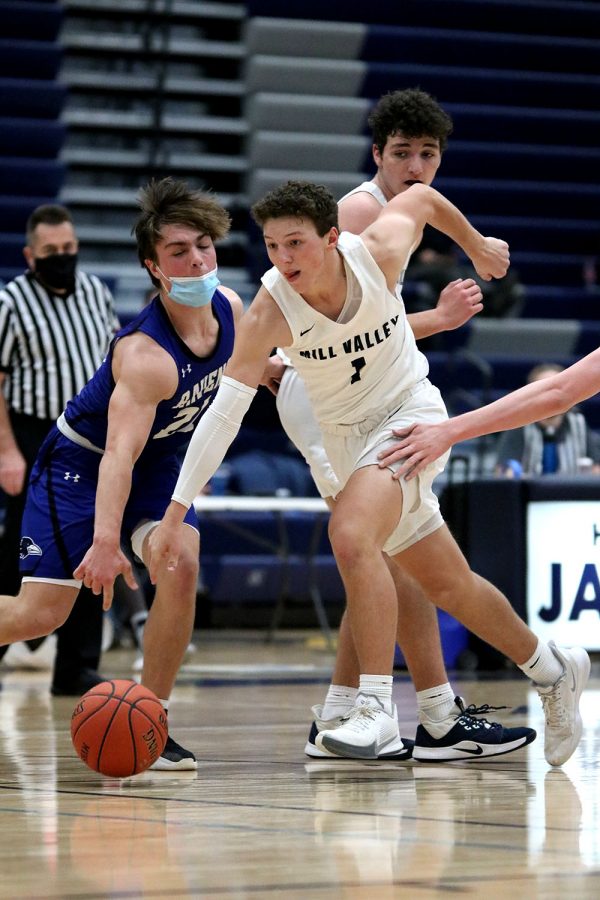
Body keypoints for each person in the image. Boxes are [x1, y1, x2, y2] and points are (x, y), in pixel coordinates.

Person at [149, 178, 589, 768]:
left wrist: (478, 244)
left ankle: (374, 711)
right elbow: (223, 415)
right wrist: (175, 513)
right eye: (273, 246)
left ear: (333, 237)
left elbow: (423, 200)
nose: (284, 258)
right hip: (347, 438)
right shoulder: (269, 308)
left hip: (412, 414)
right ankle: (553, 667)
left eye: (297, 243)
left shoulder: (378, 249)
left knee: (353, 535)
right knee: (447, 584)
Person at [264, 88, 507, 761]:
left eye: (428, 153)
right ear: (379, 155)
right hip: (325, 396)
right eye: (402, 152)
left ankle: (357, 713)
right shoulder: (362, 210)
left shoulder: (393, 216)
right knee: (385, 551)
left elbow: (377, 331)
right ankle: (428, 713)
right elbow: (320, 332)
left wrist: (441, 322)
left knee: (373, 550)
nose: (416, 165)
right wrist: (480, 246)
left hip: (347, 385)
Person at [0, 177, 244, 770]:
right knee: (42, 614)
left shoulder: (232, 308)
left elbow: (269, 356)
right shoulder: (144, 355)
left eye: (203, 245)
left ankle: (152, 718)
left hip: (159, 461)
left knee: (182, 558)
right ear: (153, 268)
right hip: (79, 465)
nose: (196, 259)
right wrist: (108, 543)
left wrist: (274, 369)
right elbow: (117, 456)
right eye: (178, 251)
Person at [0, 204, 118, 695]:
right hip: (34, 437)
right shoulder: (10, 302)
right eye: (51, 252)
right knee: (18, 551)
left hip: (92, 438)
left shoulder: (95, 292)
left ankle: (75, 667)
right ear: (31, 255)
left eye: (69, 249)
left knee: (94, 545)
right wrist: (7, 451)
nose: (62, 258)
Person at [493, 363, 600, 476]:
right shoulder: (518, 424)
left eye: (557, 389)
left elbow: (596, 467)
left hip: (572, 491)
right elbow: (503, 470)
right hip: (529, 492)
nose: (551, 397)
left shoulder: (578, 422)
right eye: (545, 391)